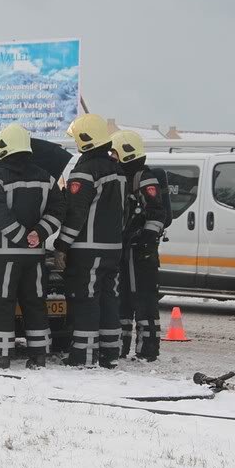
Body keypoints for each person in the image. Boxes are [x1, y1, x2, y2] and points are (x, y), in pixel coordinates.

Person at [0, 124, 65, 370]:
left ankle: (1, 355)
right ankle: (39, 355)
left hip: (4, 254)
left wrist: (19, 235)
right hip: (34, 255)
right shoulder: (46, 177)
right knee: (35, 302)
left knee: (2, 303)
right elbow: (59, 209)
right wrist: (38, 234)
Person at [54, 114, 126, 369]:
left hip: (88, 249)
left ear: (85, 140)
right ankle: (110, 354)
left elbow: (76, 214)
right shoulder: (117, 170)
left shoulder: (85, 171)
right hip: (113, 248)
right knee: (108, 300)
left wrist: (61, 245)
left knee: (85, 300)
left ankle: (82, 357)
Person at [111, 130, 166, 362]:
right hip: (125, 247)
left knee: (143, 298)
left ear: (126, 153)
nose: (112, 157)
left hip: (141, 251)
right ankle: (121, 346)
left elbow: (157, 212)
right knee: (122, 298)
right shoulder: (125, 177)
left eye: (114, 152)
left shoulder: (144, 178)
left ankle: (147, 350)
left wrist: (145, 239)